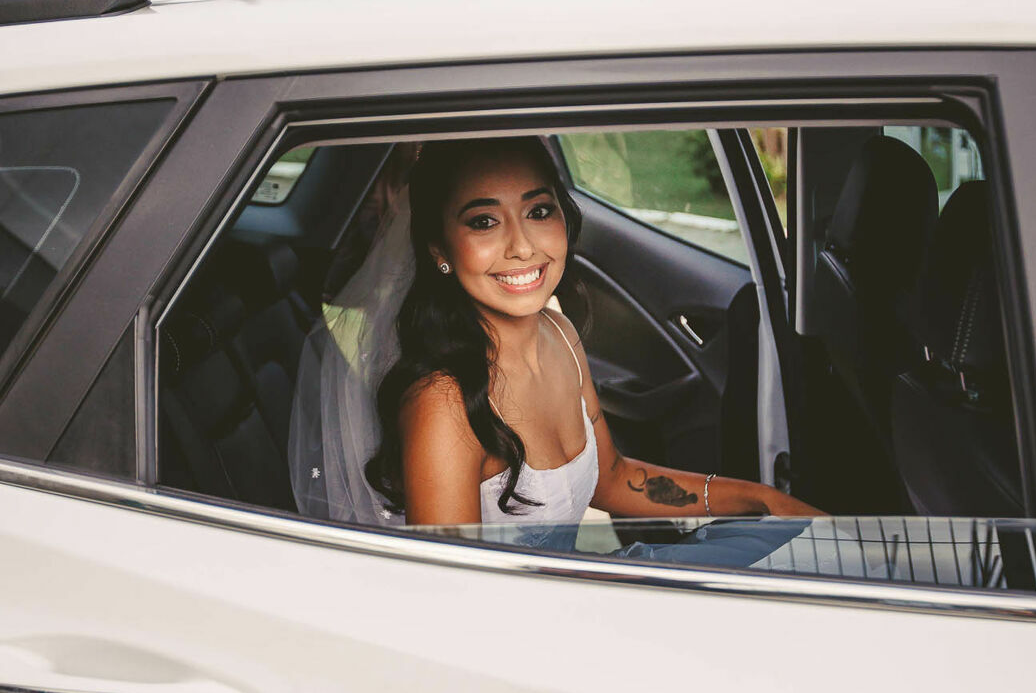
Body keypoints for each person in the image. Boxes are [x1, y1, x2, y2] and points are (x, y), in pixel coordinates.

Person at [291, 135, 821, 541]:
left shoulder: (560, 334)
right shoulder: (444, 404)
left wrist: (757, 498)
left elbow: (612, 478)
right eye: (483, 221)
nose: (522, 246)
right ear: (439, 251)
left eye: (538, 211)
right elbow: (451, 600)